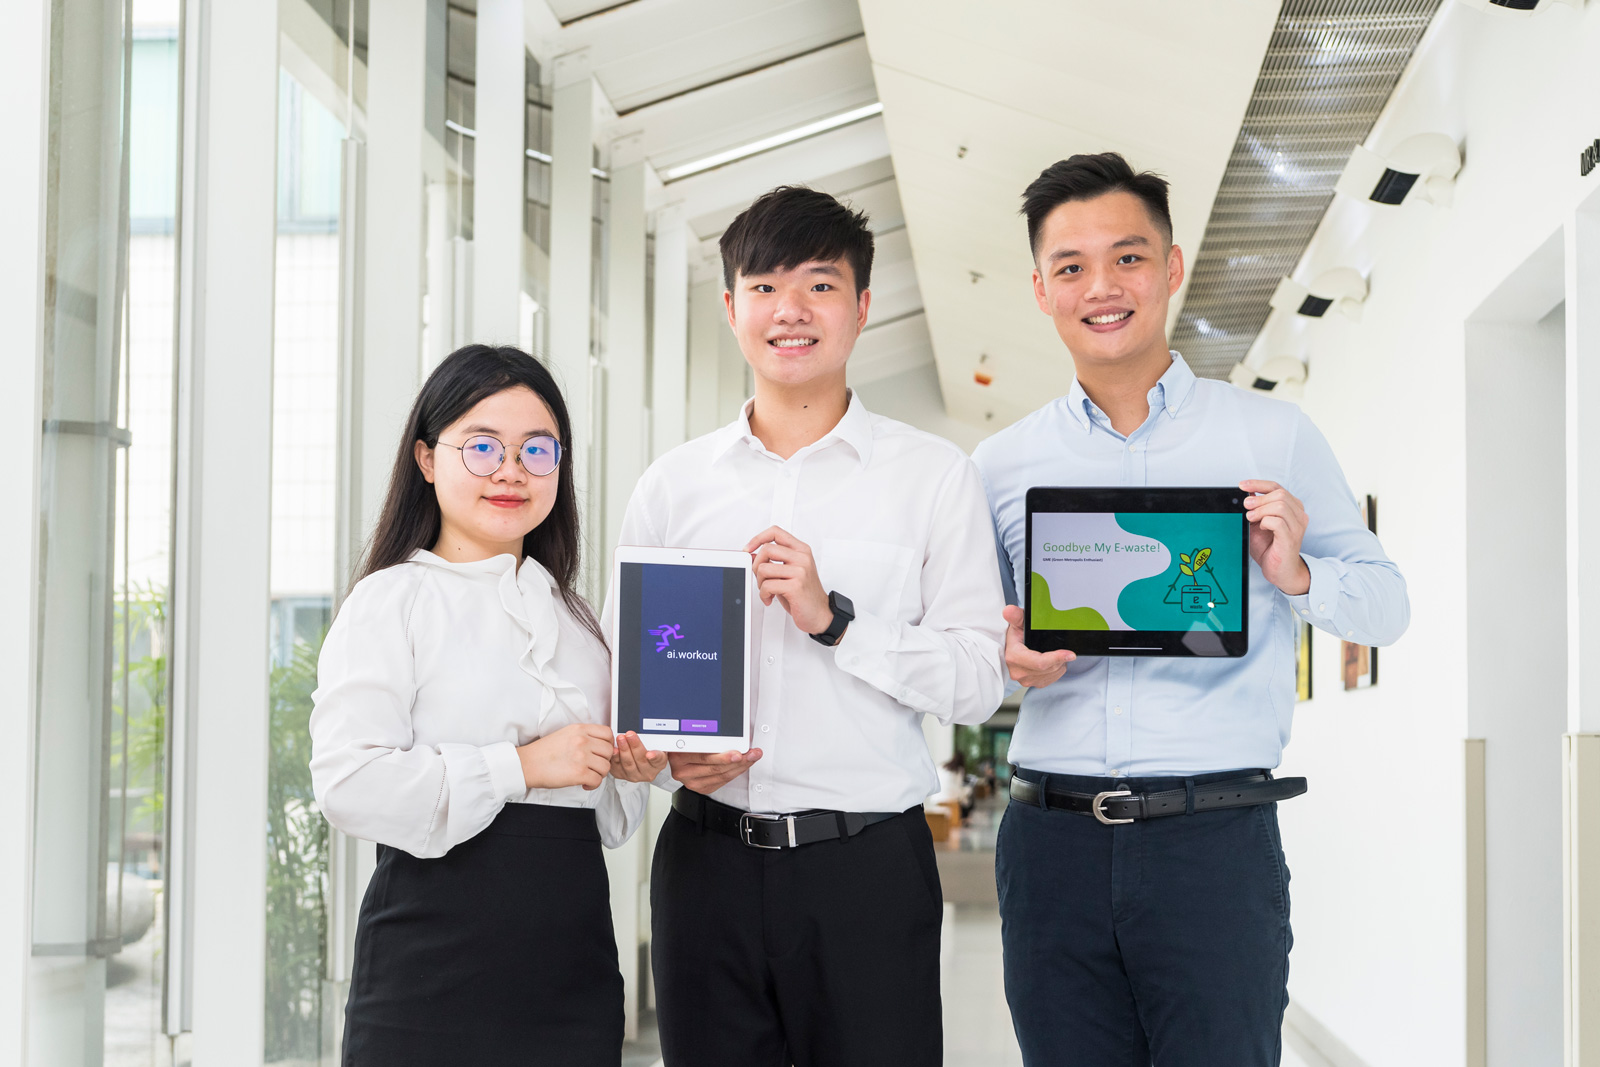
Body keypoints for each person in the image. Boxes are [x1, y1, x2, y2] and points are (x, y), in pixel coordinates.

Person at [971, 153, 1409, 1067]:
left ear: (1171, 269)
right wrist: (1001, 653)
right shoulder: (1000, 465)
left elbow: (1387, 607)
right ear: (1043, 291)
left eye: (1128, 257)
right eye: (1071, 267)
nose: (1103, 286)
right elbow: (969, 642)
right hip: (1051, 846)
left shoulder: (1272, 434)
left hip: (1214, 842)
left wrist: (1296, 575)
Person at [607, 185, 1007, 1067]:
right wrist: (655, 754)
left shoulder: (932, 477)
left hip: (863, 866)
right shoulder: (672, 487)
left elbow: (981, 680)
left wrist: (836, 622)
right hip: (704, 859)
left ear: (863, 307)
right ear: (730, 308)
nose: (789, 310)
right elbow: (625, 685)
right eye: (763, 286)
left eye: (819, 285)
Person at [309, 345, 647, 1066]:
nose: (511, 470)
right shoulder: (393, 599)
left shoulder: (581, 622)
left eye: (537, 448)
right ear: (427, 460)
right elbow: (347, 783)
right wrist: (521, 765)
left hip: (573, 977)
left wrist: (625, 767)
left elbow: (605, 821)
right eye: (483, 445)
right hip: (429, 976)